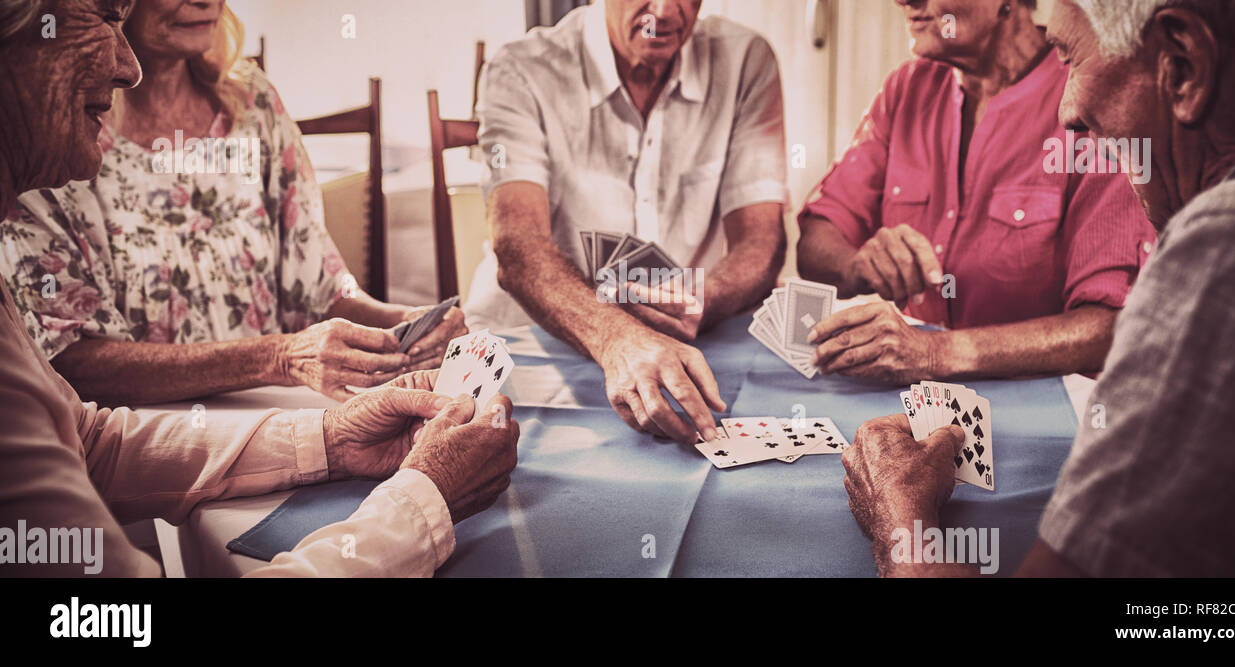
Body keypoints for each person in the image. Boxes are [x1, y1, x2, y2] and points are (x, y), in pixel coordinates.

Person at [0, 0, 519, 577]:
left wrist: (336, 435)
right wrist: (424, 501)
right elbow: (77, 366)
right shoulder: (66, 153)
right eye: (106, 15)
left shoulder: (252, 99)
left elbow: (90, 441)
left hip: (253, 437)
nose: (128, 66)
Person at [843, 0, 1235, 576]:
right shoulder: (908, 86)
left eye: (1070, 55)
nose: (1067, 115)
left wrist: (899, 521)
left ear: (1182, 67)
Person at [0, 0, 467, 405]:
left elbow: (323, 289)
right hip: (145, 448)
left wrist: (403, 323)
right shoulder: (57, 137)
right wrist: (277, 359)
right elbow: (68, 359)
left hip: (280, 420)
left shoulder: (253, 101)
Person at [467, 0, 788, 444]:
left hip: (692, 343)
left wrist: (707, 297)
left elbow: (762, 239)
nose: (665, 11)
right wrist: (617, 337)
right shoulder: (519, 69)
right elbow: (516, 244)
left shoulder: (747, 60)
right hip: (530, 342)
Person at [798, 0, 1155, 384]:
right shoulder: (906, 88)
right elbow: (816, 239)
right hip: (917, 403)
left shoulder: (1085, 96)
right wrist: (856, 265)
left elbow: (1110, 324)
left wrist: (935, 352)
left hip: (1045, 414)